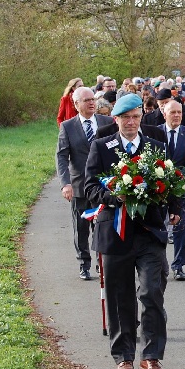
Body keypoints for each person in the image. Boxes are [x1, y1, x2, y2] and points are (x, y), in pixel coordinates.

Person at [84, 93, 181, 369]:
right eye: (125, 118)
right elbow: (89, 187)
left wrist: (175, 209)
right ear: (116, 120)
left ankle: (151, 357)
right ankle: (124, 355)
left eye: (135, 117)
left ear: (141, 118)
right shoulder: (101, 147)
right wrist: (112, 196)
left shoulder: (156, 147)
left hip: (149, 233)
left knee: (151, 292)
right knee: (120, 297)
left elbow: (172, 182)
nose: (130, 122)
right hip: (114, 233)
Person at [56, 87, 114, 280]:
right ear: (76, 104)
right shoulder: (68, 126)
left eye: (93, 99)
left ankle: (101, 262)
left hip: (103, 186)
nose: (91, 103)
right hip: (79, 186)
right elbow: (62, 157)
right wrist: (66, 183)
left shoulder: (107, 122)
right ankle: (84, 263)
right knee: (81, 227)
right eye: (86, 100)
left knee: (102, 225)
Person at [158, 101, 185, 281]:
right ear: (164, 114)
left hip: (181, 187)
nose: (177, 115)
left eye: (179, 112)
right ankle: (157, 264)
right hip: (159, 187)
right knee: (158, 226)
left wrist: (176, 174)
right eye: (173, 112)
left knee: (180, 227)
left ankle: (179, 265)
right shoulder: (155, 132)